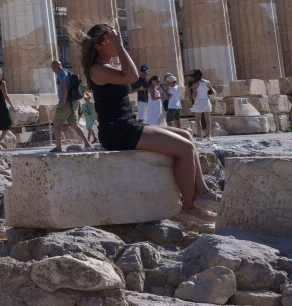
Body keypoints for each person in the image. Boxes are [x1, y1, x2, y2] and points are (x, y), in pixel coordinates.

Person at [76, 23, 219, 226]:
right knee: (185, 148)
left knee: (187, 137)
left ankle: (202, 192)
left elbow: (128, 81)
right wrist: (121, 47)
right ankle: (189, 207)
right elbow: (132, 77)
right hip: (117, 131)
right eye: (109, 39)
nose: (115, 41)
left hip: (126, 125)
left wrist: (118, 48)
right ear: (97, 45)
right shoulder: (97, 69)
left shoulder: (107, 67)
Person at [49, 59, 91, 152]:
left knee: (56, 125)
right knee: (74, 124)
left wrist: (63, 102)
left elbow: (64, 88)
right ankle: (87, 144)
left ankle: (59, 147)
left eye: (53, 67)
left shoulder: (60, 74)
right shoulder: (67, 72)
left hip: (66, 102)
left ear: (57, 66)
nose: (53, 70)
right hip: (74, 102)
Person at [189, 69, 216, 140]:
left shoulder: (195, 84)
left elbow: (193, 95)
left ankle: (199, 136)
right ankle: (209, 136)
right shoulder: (207, 82)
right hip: (206, 101)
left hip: (198, 101)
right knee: (208, 120)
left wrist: (196, 101)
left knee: (198, 120)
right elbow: (212, 92)